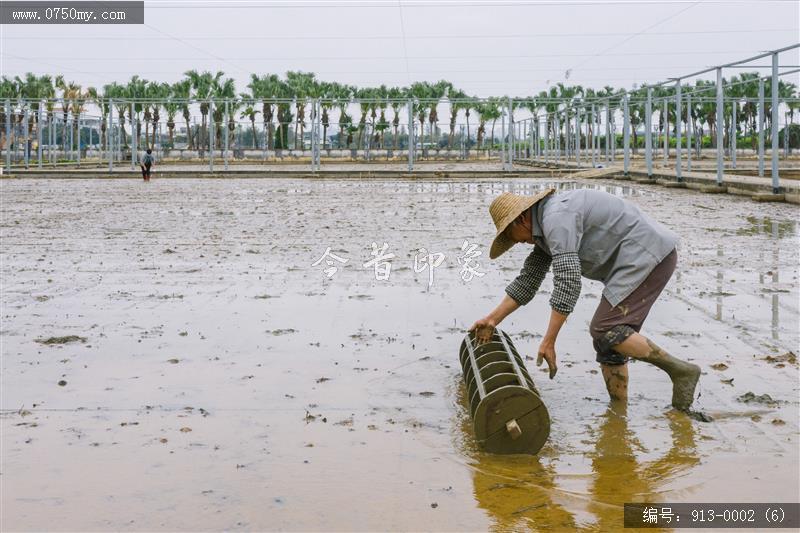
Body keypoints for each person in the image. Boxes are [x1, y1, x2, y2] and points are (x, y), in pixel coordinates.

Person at [469, 188, 701, 412]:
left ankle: (680, 371)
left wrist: (549, 340)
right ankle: (619, 413)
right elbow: (528, 281)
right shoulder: (544, 230)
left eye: (511, 236)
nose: (517, 243)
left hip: (649, 256)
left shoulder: (556, 219)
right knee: (608, 341)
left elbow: (568, 281)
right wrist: (492, 319)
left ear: (521, 220)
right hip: (634, 262)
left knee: (605, 329)